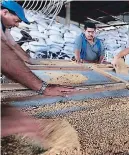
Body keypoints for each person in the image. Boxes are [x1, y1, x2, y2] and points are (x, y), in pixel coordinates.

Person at [1, 0, 74, 138]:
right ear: (5, 12)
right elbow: (5, 56)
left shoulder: (4, 28)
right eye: (16, 20)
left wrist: (31, 62)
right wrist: (43, 88)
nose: (17, 25)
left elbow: (14, 47)